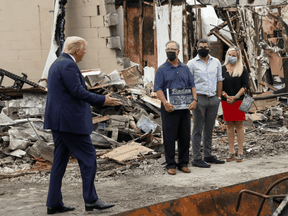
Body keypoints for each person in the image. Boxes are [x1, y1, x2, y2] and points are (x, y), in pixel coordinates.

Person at [44, 36, 121, 214]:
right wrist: (103, 100)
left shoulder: (57, 63)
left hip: (59, 122)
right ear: (77, 50)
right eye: (84, 49)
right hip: (70, 122)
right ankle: (91, 199)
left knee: (60, 162)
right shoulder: (68, 65)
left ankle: (53, 203)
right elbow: (78, 92)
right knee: (88, 158)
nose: (85, 52)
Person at [154, 40, 197, 175]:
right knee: (169, 137)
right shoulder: (161, 69)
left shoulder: (185, 68)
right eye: (168, 49)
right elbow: (158, 89)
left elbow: (192, 85)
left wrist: (195, 100)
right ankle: (171, 164)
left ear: (178, 52)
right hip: (169, 108)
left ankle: (183, 163)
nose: (170, 52)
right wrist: (165, 103)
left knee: (185, 136)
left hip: (184, 108)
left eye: (172, 49)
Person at [187, 39, 225, 168]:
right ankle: (197, 158)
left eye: (205, 46)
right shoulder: (191, 64)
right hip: (199, 99)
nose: (203, 48)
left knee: (209, 128)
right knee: (197, 129)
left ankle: (208, 155)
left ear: (209, 48)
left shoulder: (216, 62)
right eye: (201, 47)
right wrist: (193, 99)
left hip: (213, 99)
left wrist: (218, 98)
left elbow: (219, 80)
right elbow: (189, 83)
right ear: (197, 48)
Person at [221, 46, 250, 163]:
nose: (231, 57)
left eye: (234, 55)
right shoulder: (222, 69)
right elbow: (219, 85)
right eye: (230, 55)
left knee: (239, 125)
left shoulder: (242, 68)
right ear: (226, 55)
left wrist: (235, 97)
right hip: (226, 100)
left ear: (238, 57)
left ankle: (240, 152)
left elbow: (245, 85)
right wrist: (227, 96)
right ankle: (231, 151)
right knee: (229, 125)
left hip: (239, 101)